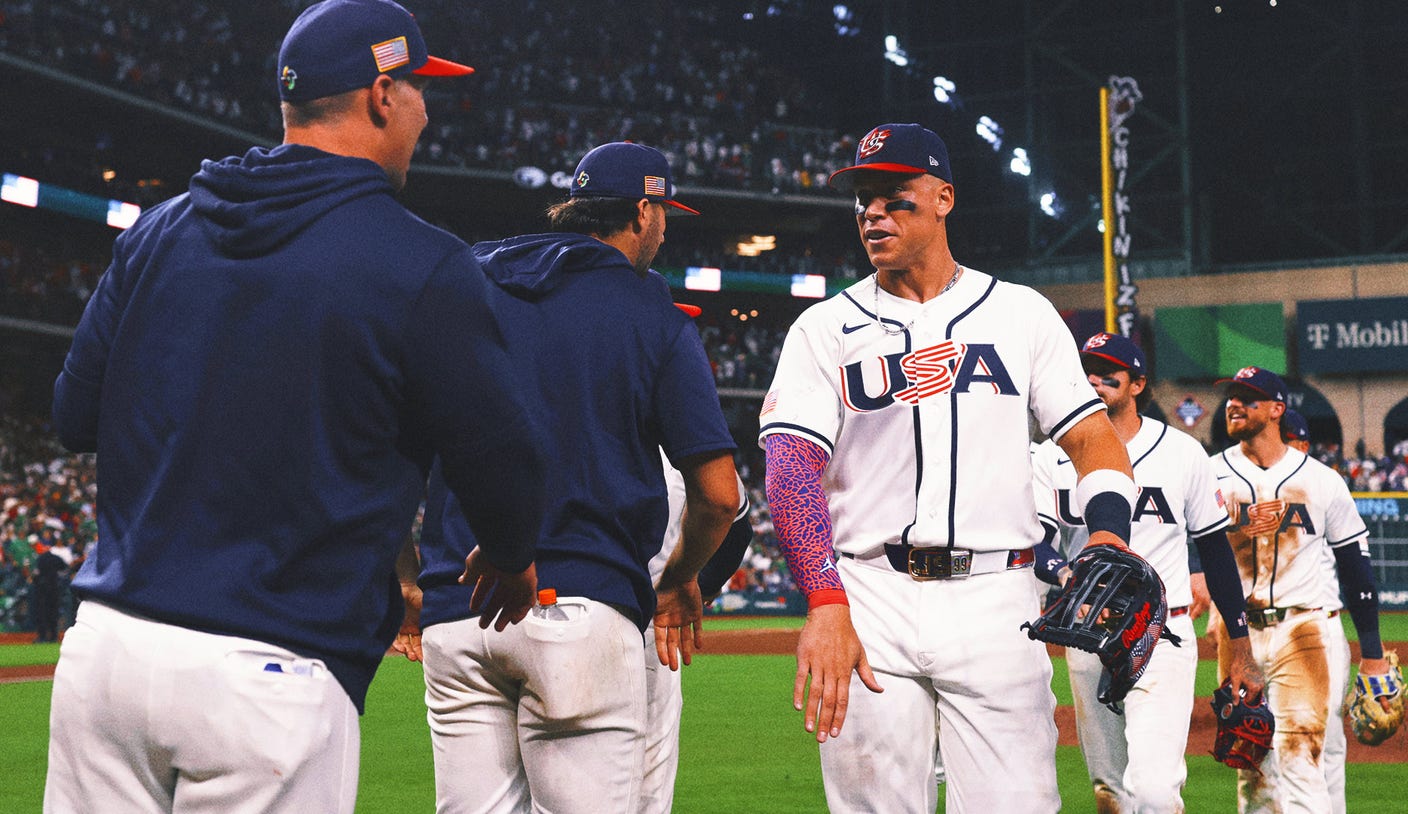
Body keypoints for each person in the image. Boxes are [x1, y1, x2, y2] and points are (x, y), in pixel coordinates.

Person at [43, 1, 549, 810]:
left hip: (106, 653)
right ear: (381, 95)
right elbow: (499, 455)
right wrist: (513, 550)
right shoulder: (422, 261)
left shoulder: (159, 230)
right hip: (273, 669)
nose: (426, 112)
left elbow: (75, 416)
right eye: (420, 89)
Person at [759, 122, 1136, 813]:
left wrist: (1109, 534)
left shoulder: (1021, 314)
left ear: (943, 199)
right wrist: (824, 598)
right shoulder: (824, 328)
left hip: (997, 597)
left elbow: (1092, 440)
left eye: (895, 198)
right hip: (870, 593)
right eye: (864, 201)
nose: (873, 214)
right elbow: (789, 469)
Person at [411, 142, 741, 814]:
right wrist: (679, 578)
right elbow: (719, 496)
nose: (665, 230)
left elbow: (391, 444)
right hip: (580, 607)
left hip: (458, 611)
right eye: (664, 215)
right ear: (642, 211)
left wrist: (405, 577)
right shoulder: (650, 311)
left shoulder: (467, 281)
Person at [1031, 331, 1264, 812]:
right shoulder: (1052, 454)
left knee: (1155, 791)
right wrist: (1065, 575)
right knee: (1109, 792)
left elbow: (1216, 551)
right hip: (1089, 633)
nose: (1094, 381)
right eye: (1086, 372)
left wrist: (1241, 647)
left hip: (1162, 633)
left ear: (1137, 384)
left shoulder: (1181, 452)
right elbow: (1035, 541)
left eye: (1107, 373)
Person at [1209, 366, 1392, 813]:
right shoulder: (1208, 474)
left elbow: (1355, 569)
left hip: (1304, 630)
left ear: (1277, 410)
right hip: (1238, 636)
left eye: (1248, 398)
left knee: (1300, 759)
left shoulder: (1321, 480)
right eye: (1232, 397)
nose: (1235, 404)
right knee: (1251, 767)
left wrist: (1372, 653)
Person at [639, 447, 754, 814]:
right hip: (650, 618)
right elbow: (734, 520)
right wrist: (691, 585)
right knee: (647, 781)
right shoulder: (676, 437)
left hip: (526, 605)